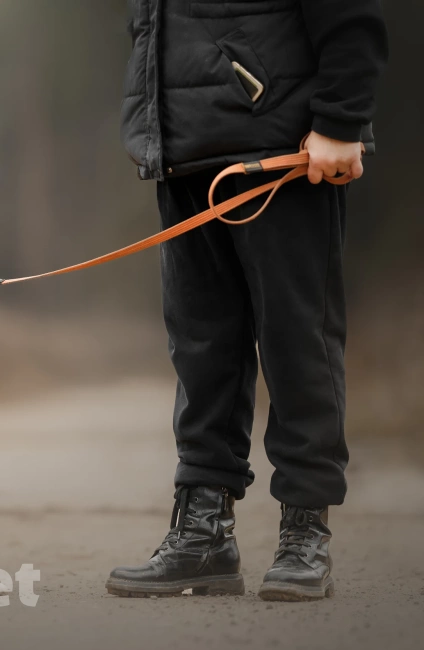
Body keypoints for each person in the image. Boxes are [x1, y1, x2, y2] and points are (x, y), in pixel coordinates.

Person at [105, 0, 388, 601]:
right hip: (183, 149)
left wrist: (341, 119)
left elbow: (354, 12)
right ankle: (203, 534)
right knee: (201, 350)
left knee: (297, 342)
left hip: (279, 148)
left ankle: (304, 533)